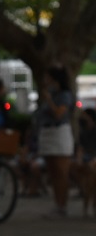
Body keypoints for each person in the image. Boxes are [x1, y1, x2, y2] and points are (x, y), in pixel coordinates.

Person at [36, 65, 75, 218]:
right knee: (52, 171)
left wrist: (49, 101)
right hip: (47, 132)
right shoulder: (51, 93)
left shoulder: (64, 95)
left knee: (61, 172)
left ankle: (62, 205)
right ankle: (56, 204)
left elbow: (59, 113)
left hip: (59, 133)